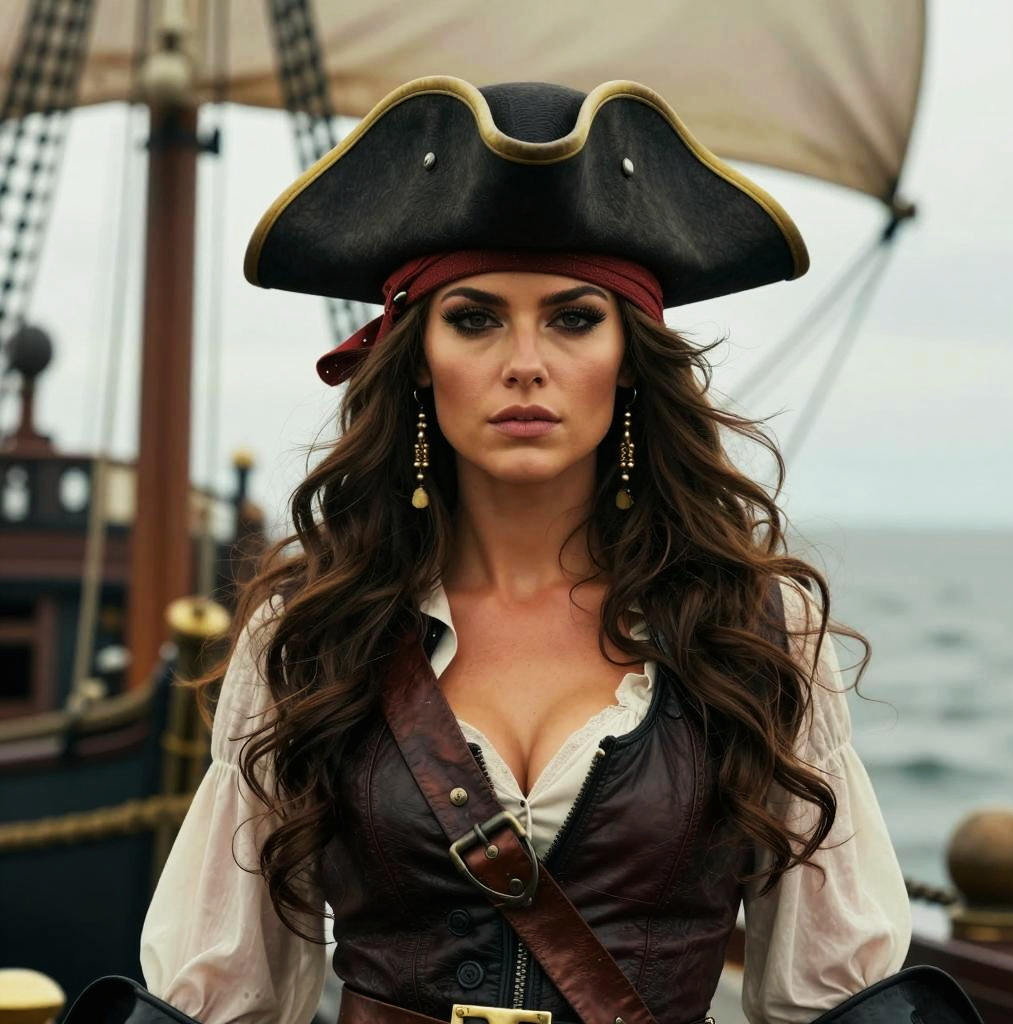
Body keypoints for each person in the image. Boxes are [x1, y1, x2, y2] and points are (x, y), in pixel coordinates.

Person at [140, 76, 911, 1024]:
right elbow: (222, 994)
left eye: (574, 318)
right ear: (417, 356)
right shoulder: (307, 633)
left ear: (629, 357)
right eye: (474, 318)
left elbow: (835, 995)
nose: (525, 363)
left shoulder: (755, 629)